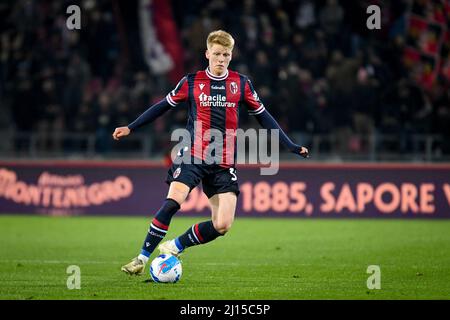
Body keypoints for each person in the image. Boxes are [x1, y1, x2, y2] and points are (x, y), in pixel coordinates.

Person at [113, 30, 309, 275]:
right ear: (207, 54)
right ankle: (141, 259)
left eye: (226, 55)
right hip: (193, 154)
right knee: (174, 201)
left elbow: (264, 117)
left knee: (223, 225)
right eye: (216, 54)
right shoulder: (191, 82)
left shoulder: (241, 83)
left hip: (223, 162)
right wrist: (131, 127)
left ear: (231, 56)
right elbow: (162, 106)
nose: (221, 59)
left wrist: (289, 145)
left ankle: (175, 245)